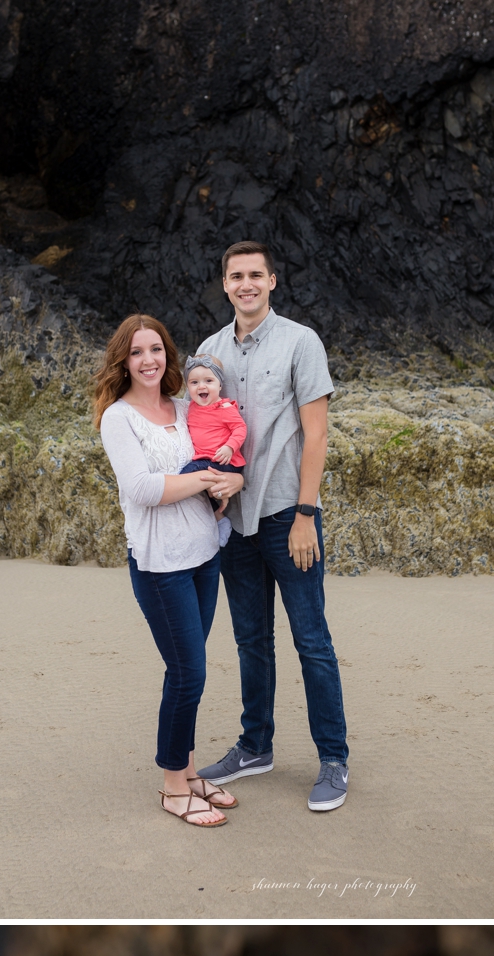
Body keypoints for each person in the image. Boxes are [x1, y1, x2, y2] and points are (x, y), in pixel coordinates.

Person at [193, 241, 351, 814]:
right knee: (250, 640)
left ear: (273, 281)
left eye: (255, 275)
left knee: (313, 642)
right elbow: (199, 430)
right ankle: (256, 746)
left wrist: (307, 514)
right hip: (235, 523)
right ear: (225, 283)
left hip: (288, 514)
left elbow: (317, 434)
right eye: (236, 276)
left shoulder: (300, 342)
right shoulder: (208, 351)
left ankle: (333, 759)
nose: (246, 284)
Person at [93, 315, 243, 829]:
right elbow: (141, 489)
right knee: (188, 673)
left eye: (156, 349)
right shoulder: (119, 418)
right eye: (137, 352)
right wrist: (204, 477)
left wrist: (230, 483)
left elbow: (225, 456)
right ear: (123, 362)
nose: (149, 359)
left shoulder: (185, 408)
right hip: (160, 565)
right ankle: (173, 785)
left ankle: (189, 768)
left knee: (189, 674)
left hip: (205, 555)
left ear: (169, 355)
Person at [180, 355, 247, 546]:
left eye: (208, 381)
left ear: (219, 385)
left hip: (224, 462)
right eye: (194, 382)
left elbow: (240, 428)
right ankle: (219, 519)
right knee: (199, 490)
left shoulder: (223, 407)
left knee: (186, 476)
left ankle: (175, 508)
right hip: (205, 460)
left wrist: (229, 447)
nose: (201, 386)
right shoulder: (190, 406)